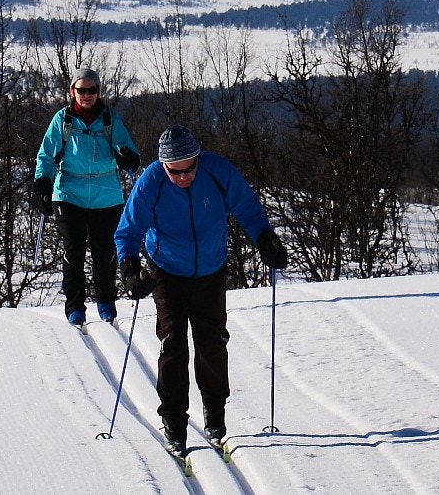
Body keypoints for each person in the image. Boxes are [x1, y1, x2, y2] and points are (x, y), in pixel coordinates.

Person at [114, 125, 288, 457]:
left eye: (189, 168)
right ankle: (175, 424)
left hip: (211, 269)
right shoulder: (151, 181)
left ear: (198, 158)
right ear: (163, 165)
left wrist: (265, 238)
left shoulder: (218, 171)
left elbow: (248, 210)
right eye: (174, 171)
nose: (183, 176)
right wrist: (129, 267)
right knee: (173, 345)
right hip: (167, 271)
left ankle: (215, 415)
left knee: (212, 342)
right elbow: (128, 230)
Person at [33, 68, 140, 328]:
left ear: (98, 91)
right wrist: (42, 184)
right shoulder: (63, 120)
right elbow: (46, 155)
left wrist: (129, 158)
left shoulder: (110, 120)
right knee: (74, 252)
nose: (87, 95)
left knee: (104, 253)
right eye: (81, 90)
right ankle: (75, 308)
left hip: (106, 196)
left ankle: (106, 302)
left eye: (92, 90)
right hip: (69, 193)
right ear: (73, 91)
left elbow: (130, 154)